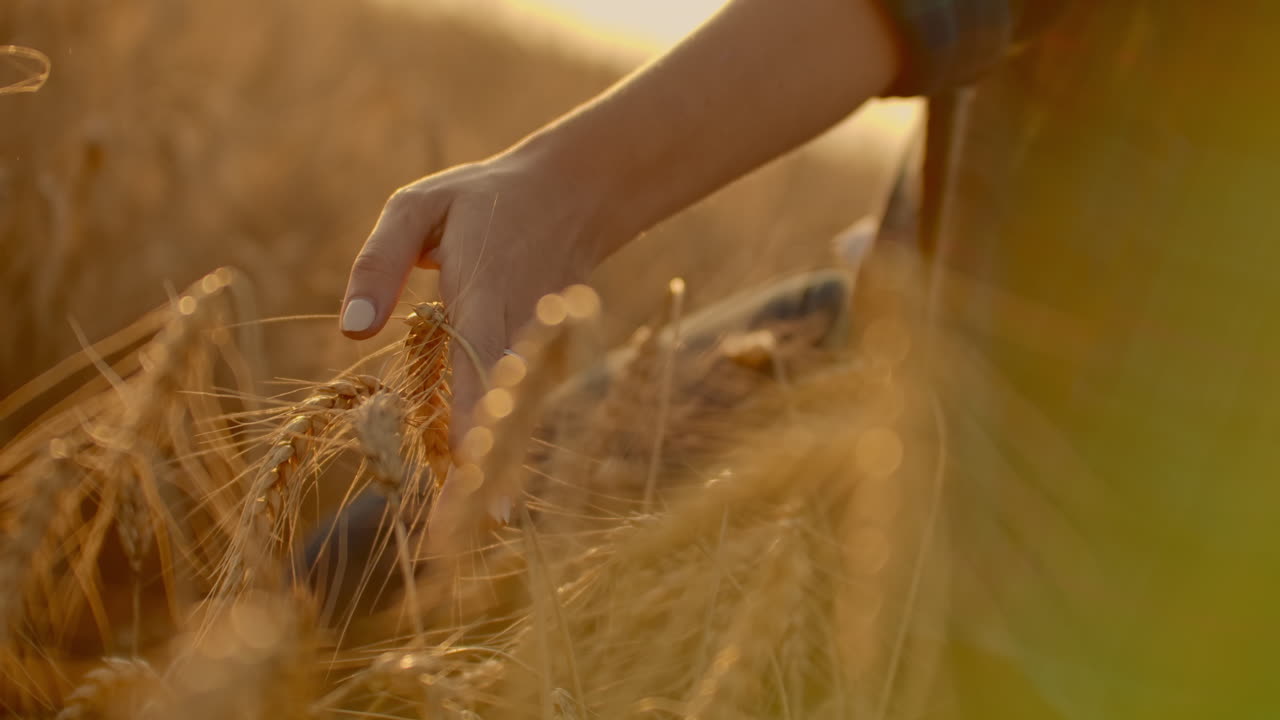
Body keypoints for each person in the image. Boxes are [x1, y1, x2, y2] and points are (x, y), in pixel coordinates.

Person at [338, 1, 1280, 717]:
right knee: (355, 577)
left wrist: (563, 188)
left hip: (1120, 604)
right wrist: (557, 189)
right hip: (884, 348)